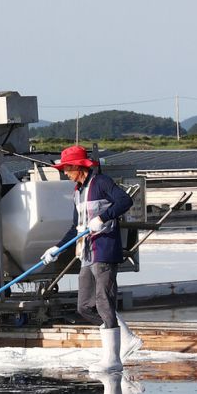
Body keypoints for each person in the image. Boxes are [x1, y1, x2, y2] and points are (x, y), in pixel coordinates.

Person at [41, 145, 138, 372]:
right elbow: (76, 228)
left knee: (104, 300)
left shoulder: (102, 182)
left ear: (78, 166)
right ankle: (125, 336)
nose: (65, 173)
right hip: (85, 252)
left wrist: (103, 217)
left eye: (67, 168)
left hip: (104, 249)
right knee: (84, 306)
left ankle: (113, 360)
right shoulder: (77, 191)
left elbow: (124, 201)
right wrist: (55, 248)